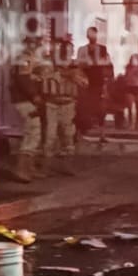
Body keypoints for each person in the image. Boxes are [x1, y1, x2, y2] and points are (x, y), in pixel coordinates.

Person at [41, 35, 86, 176]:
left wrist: (73, 75)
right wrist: (65, 73)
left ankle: (67, 166)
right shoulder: (50, 65)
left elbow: (84, 83)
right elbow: (43, 78)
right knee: (50, 136)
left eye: (69, 50)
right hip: (52, 103)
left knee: (68, 136)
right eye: (64, 50)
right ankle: (46, 167)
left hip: (68, 104)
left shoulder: (76, 67)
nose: (67, 53)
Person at [8, 35, 45, 182]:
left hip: (27, 100)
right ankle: (22, 169)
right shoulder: (24, 59)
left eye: (36, 44)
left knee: (34, 131)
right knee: (33, 131)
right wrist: (34, 95)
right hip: (25, 101)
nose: (35, 47)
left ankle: (29, 168)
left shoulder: (29, 59)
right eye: (33, 44)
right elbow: (23, 80)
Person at [75, 27, 113, 137]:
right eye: (89, 34)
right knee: (84, 106)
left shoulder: (102, 49)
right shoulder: (82, 50)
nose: (92, 37)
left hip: (98, 81)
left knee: (100, 107)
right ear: (87, 36)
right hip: (85, 81)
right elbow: (79, 64)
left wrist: (106, 82)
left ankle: (102, 133)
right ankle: (82, 130)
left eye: (93, 34)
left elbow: (107, 64)